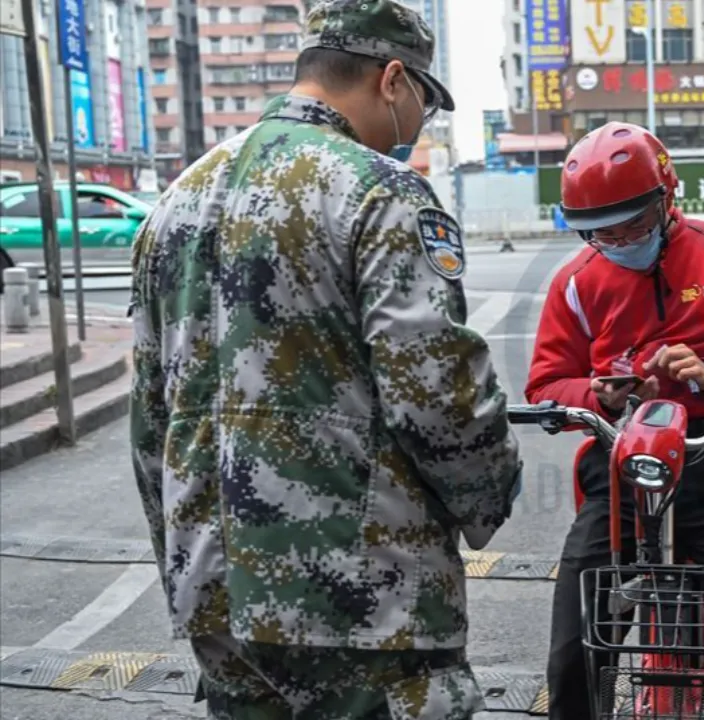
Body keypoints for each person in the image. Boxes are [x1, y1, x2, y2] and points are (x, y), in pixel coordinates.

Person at [127, 0, 523, 716]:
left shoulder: (175, 204)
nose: (422, 122)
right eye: (425, 102)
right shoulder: (380, 190)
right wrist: (489, 495)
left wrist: (181, 562)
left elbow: (149, 418)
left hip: (215, 595)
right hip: (356, 597)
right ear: (394, 79)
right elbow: (435, 391)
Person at [526, 121, 704, 720]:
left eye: (631, 223)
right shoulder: (577, 283)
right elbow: (545, 385)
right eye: (599, 230)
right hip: (621, 476)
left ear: (667, 198)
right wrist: (598, 395)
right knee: (575, 645)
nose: (616, 238)